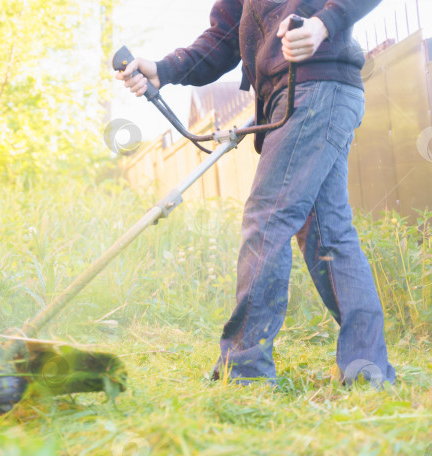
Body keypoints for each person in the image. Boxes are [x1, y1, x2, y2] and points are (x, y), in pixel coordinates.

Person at [116, 0, 395, 386]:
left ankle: (245, 371)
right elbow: (226, 36)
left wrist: (322, 25)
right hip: (302, 93)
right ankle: (367, 371)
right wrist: (165, 69)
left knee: (268, 219)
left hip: (314, 85)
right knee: (328, 234)